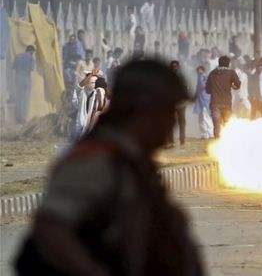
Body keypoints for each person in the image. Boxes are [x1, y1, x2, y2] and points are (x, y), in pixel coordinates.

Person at [15, 59, 203, 276]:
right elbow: (50, 228)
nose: (172, 122)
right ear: (143, 109)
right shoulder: (97, 159)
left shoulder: (132, 159)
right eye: (167, 111)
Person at [206, 56, 241, 138]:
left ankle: (216, 147)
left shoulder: (212, 73)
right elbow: (238, 84)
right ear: (228, 64)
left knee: (216, 126)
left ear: (219, 63)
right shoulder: (231, 72)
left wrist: (214, 90)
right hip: (226, 103)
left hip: (215, 103)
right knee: (227, 125)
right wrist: (232, 86)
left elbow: (207, 90)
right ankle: (227, 145)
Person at [166, 61, 188, 147]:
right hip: (173, 103)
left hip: (179, 103)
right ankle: (173, 141)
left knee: (181, 122)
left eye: (176, 66)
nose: (175, 68)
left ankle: (180, 140)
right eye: (173, 66)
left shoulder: (180, 76)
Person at [13, 45, 36, 123]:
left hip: (18, 79)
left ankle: (18, 118)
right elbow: (32, 69)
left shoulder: (18, 56)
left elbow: (14, 67)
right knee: (25, 100)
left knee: (18, 98)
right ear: (31, 51)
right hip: (26, 79)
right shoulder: (31, 58)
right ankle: (23, 119)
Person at [193, 66, 213, 140]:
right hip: (199, 101)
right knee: (201, 118)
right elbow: (197, 88)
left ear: (203, 70)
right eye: (198, 71)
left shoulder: (205, 77)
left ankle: (210, 133)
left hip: (205, 101)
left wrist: (201, 76)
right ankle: (204, 134)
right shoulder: (199, 77)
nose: (198, 72)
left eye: (200, 70)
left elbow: (203, 86)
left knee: (206, 117)